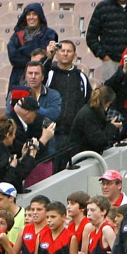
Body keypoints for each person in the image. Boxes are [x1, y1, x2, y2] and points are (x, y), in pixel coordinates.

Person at [45, 40, 91, 169]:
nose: (65, 54)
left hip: (74, 135)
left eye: (69, 51)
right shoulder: (49, 74)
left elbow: (88, 102)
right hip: (53, 134)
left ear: (75, 55)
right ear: (57, 53)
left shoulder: (81, 77)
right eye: (62, 50)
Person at [7, 4, 58, 89]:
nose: (31, 17)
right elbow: (13, 57)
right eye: (28, 14)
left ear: (39, 16)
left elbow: (42, 55)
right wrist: (33, 55)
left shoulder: (49, 34)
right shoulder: (16, 35)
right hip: (18, 76)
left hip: (41, 75)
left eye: (34, 14)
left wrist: (21, 51)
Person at [69, 85, 122, 156]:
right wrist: (112, 127)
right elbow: (97, 140)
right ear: (105, 102)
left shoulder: (93, 111)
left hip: (86, 152)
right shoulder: (88, 115)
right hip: (82, 155)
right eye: (109, 103)